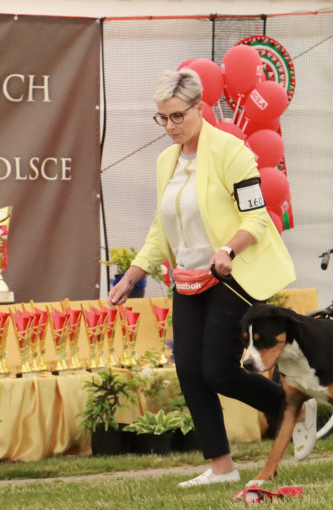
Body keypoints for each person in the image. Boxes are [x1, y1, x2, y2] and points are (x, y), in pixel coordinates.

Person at [108, 68, 310, 487]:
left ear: (201, 108)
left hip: (232, 275)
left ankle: (292, 405)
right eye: (162, 118)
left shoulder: (231, 152)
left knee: (217, 370)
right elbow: (161, 227)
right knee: (190, 372)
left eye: (177, 116)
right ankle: (221, 467)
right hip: (188, 278)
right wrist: (132, 275)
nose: (169, 126)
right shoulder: (166, 160)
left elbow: (256, 218)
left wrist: (227, 249)